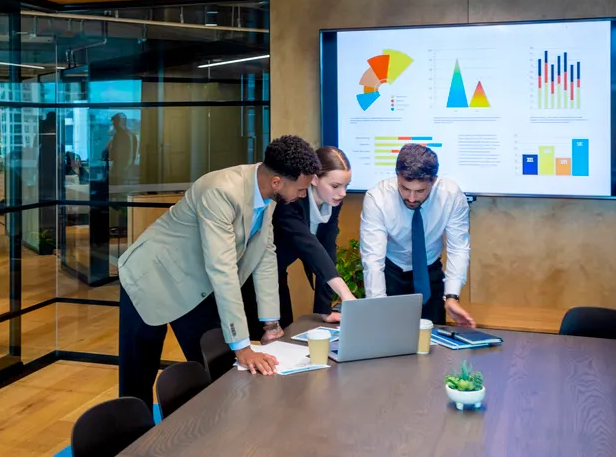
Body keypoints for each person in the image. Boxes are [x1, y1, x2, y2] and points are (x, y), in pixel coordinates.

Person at [117, 135, 321, 409]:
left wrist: (271, 323)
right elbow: (222, 269)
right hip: (151, 276)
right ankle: (133, 434)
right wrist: (243, 346)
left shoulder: (270, 194)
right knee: (138, 376)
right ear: (276, 182)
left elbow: (265, 256)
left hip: (196, 283)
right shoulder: (220, 191)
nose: (303, 195)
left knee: (218, 367)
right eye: (301, 189)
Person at [359, 143, 475, 327]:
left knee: (432, 335)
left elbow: (458, 247)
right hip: (391, 272)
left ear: (434, 181)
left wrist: (452, 296)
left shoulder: (451, 196)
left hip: (429, 272)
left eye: (420, 191)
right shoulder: (378, 198)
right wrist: (378, 304)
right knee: (388, 332)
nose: (411, 198)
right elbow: (373, 259)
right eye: (405, 188)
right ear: (397, 176)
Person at [243, 146, 358, 332]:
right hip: (252, 274)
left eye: (346, 186)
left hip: (278, 272)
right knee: (260, 334)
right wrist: (345, 294)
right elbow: (310, 247)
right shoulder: (290, 199)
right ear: (314, 179)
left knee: (285, 329)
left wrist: (324, 309)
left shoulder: (333, 203)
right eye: (335, 186)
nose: (342, 193)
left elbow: (327, 250)